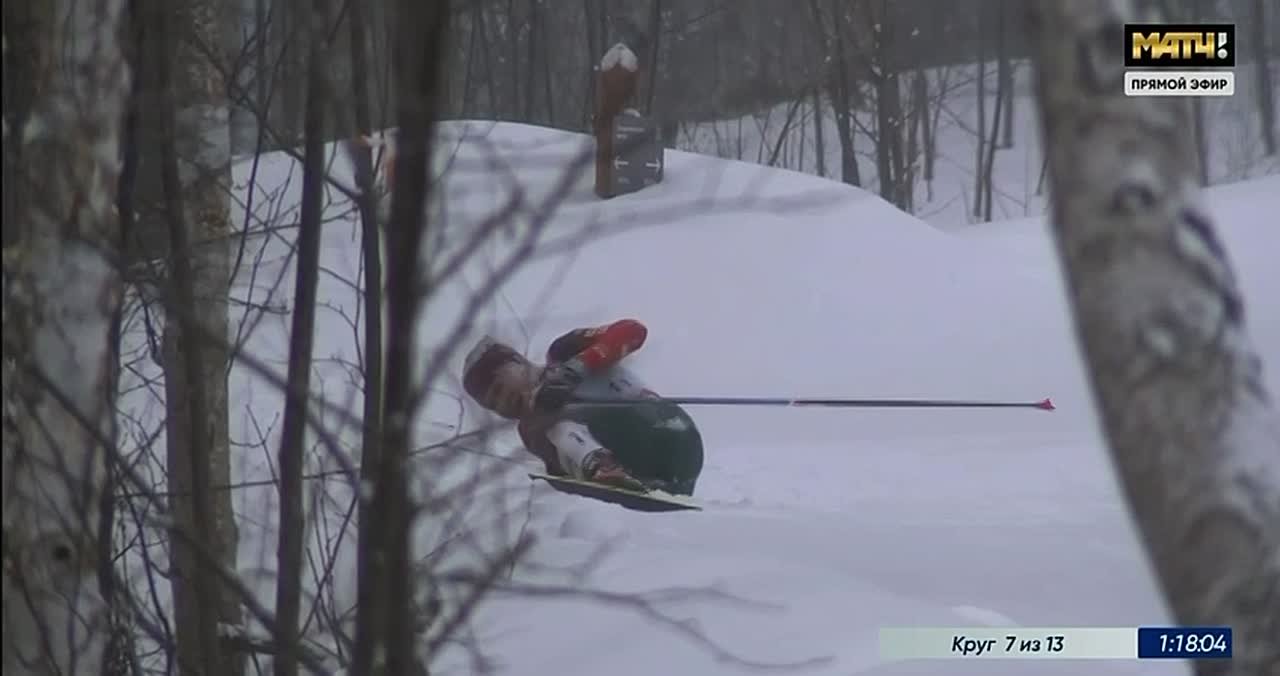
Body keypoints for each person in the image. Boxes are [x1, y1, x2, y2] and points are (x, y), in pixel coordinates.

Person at [462, 319, 704, 495]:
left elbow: (633, 331)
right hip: (658, 463)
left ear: (517, 362)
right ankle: (608, 471)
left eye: (499, 389)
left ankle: (603, 468)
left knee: (540, 420)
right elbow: (558, 473)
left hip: (661, 423)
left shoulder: (562, 352)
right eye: (492, 405)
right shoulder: (530, 431)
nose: (502, 404)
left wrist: (576, 368)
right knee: (535, 424)